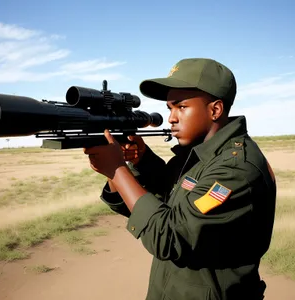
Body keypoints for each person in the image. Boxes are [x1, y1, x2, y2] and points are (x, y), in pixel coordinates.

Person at [83, 58, 276, 300]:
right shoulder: (198, 154)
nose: (172, 118)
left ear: (215, 110)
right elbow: (162, 197)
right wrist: (139, 160)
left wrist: (118, 171)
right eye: (169, 109)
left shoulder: (235, 169)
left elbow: (169, 234)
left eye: (181, 107)